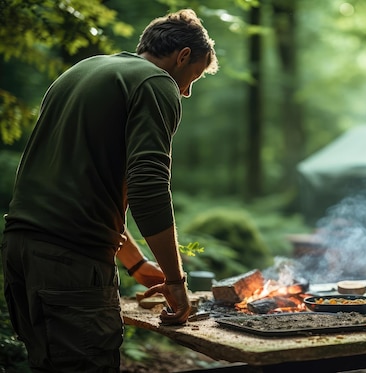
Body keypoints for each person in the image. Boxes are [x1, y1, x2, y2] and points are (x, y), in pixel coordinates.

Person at [1, 9, 218, 372]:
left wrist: (135, 263)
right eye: (192, 77)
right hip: (71, 262)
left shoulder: (80, 72)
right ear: (182, 56)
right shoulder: (155, 83)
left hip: (21, 249)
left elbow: (81, 186)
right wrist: (176, 282)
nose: (187, 91)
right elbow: (148, 184)